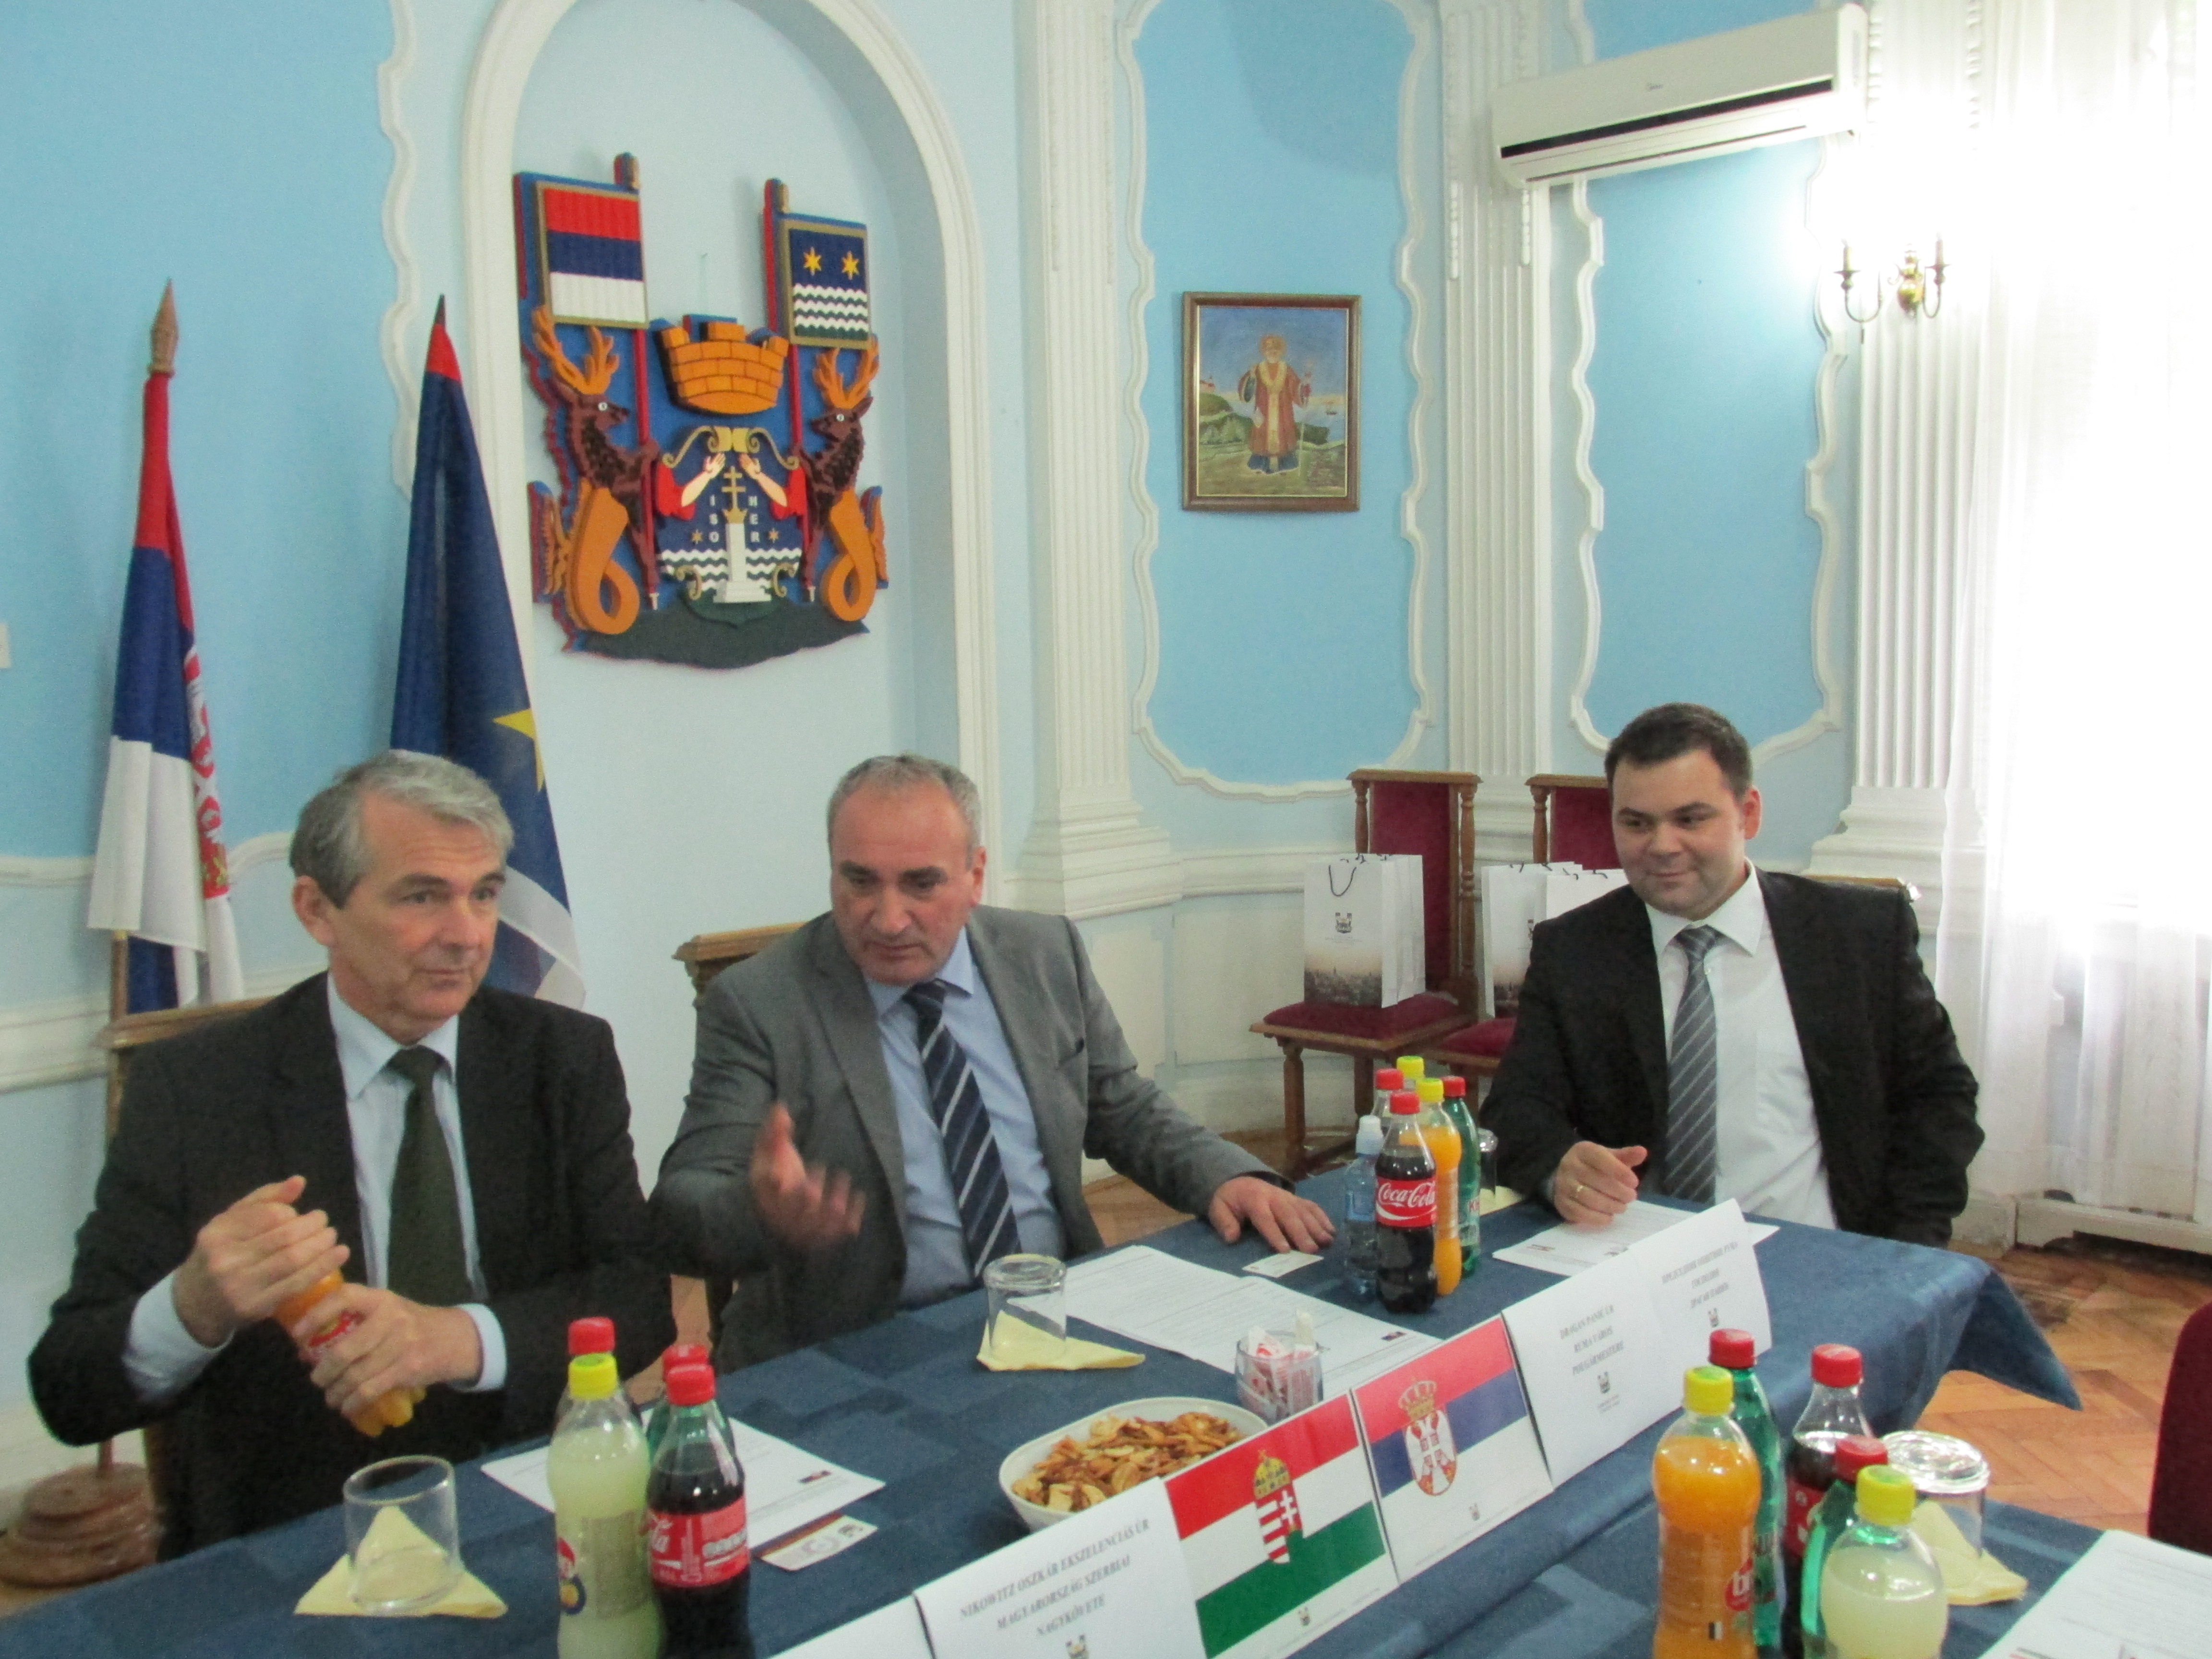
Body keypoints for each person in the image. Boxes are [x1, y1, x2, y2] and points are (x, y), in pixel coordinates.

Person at [31, 752, 672, 1552]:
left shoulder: (561, 1056)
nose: (466, 935)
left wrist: (452, 1338)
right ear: (317, 910)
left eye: (483, 894)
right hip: (301, 1525)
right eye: (421, 896)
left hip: (532, 1493)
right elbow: (69, 1389)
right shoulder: (197, 1090)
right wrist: (192, 1305)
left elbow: (638, 1299)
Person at [652, 754, 1334, 1366]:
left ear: (975, 875)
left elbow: (1121, 1107)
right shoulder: (759, 1003)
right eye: (860, 882)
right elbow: (682, 1208)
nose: (888, 918)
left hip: (1055, 1313)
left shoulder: (1043, 954)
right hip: (863, 1347)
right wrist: (761, 1210)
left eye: (921, 885)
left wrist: (1224, 1176)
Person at [1484, 704, 1983, 1247]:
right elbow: (1515, 1109)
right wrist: (1559, 1166)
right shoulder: (1575, 950)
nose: (1662, 846)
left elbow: (1939, 1098)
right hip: (1638, 1253)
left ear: (1748, 814)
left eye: (1690, 819)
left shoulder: (1857, 936)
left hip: (1816, 1252)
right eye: (1636, 823)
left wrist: (1906, 1248)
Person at [1238, 334, 1310, 475]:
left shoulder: (1286, 369)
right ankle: (1261, 466)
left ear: (1280, 351)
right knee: (1262, 437)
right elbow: (1247, 390)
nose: (1272, 352)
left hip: (1283, 411)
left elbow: (1296, 388)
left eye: (1275, 350)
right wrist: (1252, 377)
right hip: (1263, 409)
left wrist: (1304, 385)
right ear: (1264, 352)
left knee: (1284, 437)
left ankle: (1285, 467)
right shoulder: (1258, 369)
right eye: (1269, 349)